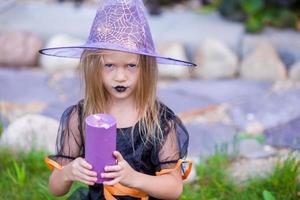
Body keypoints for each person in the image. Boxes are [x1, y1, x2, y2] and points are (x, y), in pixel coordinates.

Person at [40, 0, 195, 199]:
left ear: (145, 68)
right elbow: (56, 189)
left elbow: (174, 189)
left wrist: (133, 177)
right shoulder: (79, 117)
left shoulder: (160, 121)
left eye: (131, 66)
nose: (120, 76)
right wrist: (68, 172)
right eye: (109, 65)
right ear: (95, 66)